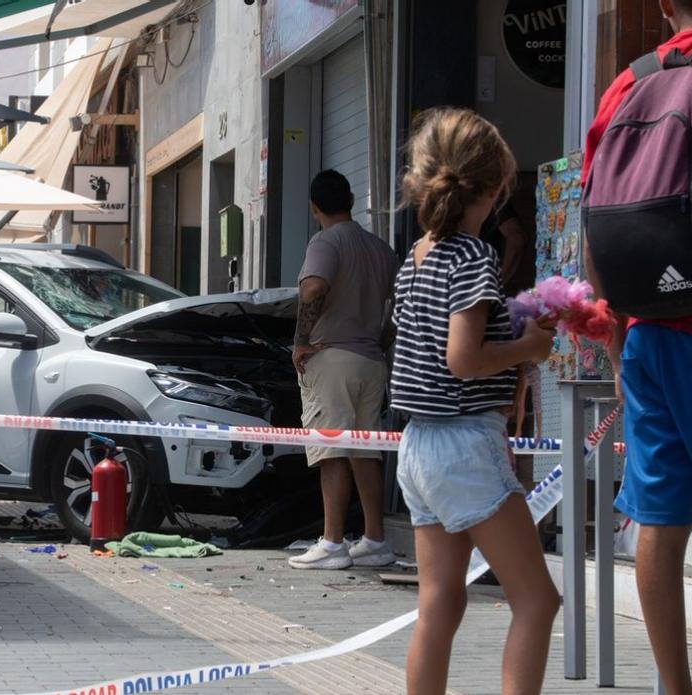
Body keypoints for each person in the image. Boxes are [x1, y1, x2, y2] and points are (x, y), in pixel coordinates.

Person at [392, 108, 558, 694]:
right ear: (494, 187)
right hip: (463, 441)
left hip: (417, 445)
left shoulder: (417, 256)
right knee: (537, 600)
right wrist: (527, 347)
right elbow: (462, 359)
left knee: (439, 603)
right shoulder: (472, 258)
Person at [582, 2, 692, 692]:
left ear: (662, 6)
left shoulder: (628, 82)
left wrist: (621, 345)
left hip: (648, 331)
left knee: (659, 514)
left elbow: (595, 223)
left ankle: (674, 685)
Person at [287, 170, 399, 570]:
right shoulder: (380, 249)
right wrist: (379, 340)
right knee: (364, 452)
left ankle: (333, 543)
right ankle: (375, 540)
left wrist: (301, 340)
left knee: (331, 449)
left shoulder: (325, 242)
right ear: (350, 200)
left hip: (332, 357)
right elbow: (401, 306)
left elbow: (313, 287)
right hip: (371, 362)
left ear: (314, 207)